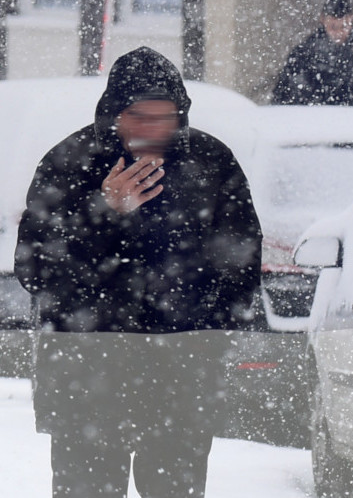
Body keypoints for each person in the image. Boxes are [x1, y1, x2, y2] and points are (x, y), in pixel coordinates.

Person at [14, 46, 262, 498]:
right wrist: (104, 214)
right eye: (139, 116)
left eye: (164, 117)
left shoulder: (210, 163)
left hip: (180, 380)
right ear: (113, 114)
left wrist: (198, 331)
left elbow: (241, 267)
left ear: (181, 116)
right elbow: (35, 271)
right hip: (86, 377)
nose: (151, 129)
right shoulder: (71, 163)